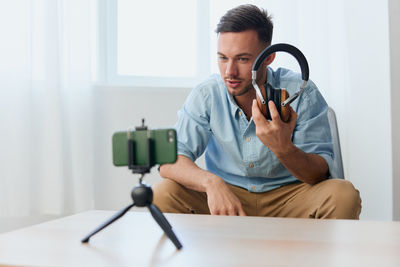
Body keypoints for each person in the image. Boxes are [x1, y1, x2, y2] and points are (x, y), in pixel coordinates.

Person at [153, 4, 361, 219]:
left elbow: (319, 174)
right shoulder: (207, 94)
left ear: (268, 58)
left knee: (343, 195)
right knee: (163, 192)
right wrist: (211, 182)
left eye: (243, 59)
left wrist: (283, 148)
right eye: (223, 58)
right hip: (228, 195)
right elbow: (170, 160)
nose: (229, 72)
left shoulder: (302, 92)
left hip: (290, 198)